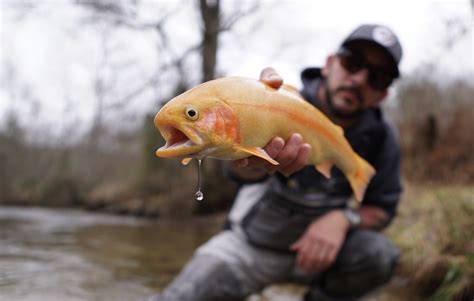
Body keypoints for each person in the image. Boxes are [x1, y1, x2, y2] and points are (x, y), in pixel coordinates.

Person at [145, 24, 403, 301]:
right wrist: (250, 163)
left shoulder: (384, 139)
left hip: (323, 254)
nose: (360, 79)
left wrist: (343, 219)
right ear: (330, 64)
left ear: (384, 94)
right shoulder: (280, 97)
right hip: (251, 245)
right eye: (353, 62)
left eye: (377, 77)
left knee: (378, 255)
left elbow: (382, 209)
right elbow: (235, 173)